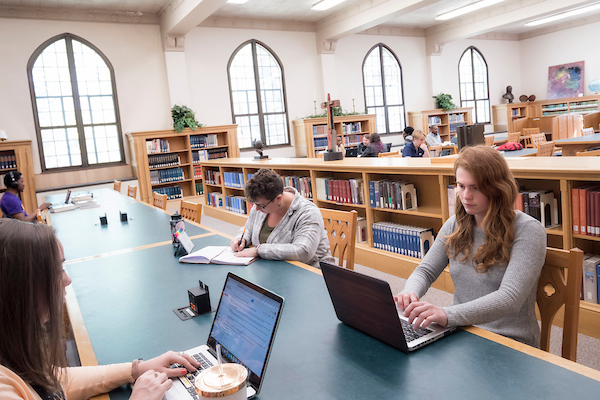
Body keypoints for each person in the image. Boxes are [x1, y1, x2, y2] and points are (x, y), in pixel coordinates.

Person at [0, 218, 202, 400]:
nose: (67, 280)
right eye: (56, 270)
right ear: (19, 286)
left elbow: (57, 382)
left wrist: (137, 369)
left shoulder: (14, 349)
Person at [394, 146, 547, 347]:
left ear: (497, 188)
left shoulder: (528, 230)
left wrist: (446, 314)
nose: (465, 196)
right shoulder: (455, 224)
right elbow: (425, 271)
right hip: (460, 330)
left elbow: (510, 298)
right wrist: (410, 293)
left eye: (475, 187)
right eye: (460, 186)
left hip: (508, 341)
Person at [230, 169, 334, 268]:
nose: (255, 209)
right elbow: (249, 228)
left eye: (260, 205)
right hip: (273, 269)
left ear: (278, 199)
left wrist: (259, 251)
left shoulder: (308, 213)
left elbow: (303, 251)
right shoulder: (263, 204)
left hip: (310, 273)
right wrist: (242, 238)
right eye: (254, 204)